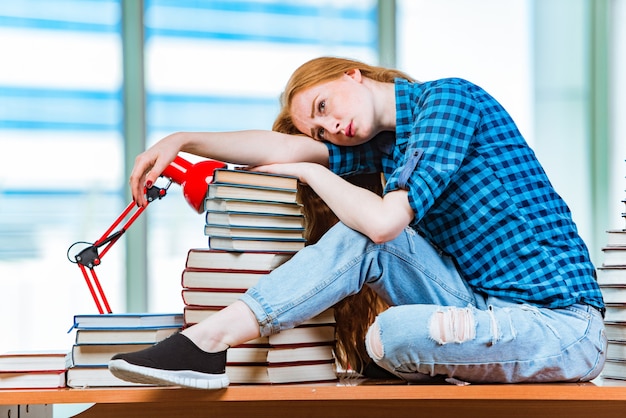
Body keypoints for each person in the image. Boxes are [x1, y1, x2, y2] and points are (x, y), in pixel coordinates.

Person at [109, 56, 606, 389]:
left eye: (323, 108)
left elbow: (388, 221)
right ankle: (206, 342)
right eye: (320, 130)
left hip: (562, 325)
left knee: (388, 334)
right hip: (478, 305)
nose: (331, 129)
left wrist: (308, 169)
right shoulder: (385, 149)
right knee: (359, 240)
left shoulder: (449, 101)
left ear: (351, 75)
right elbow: (280, 145)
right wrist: (180, 139)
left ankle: (459, 350)